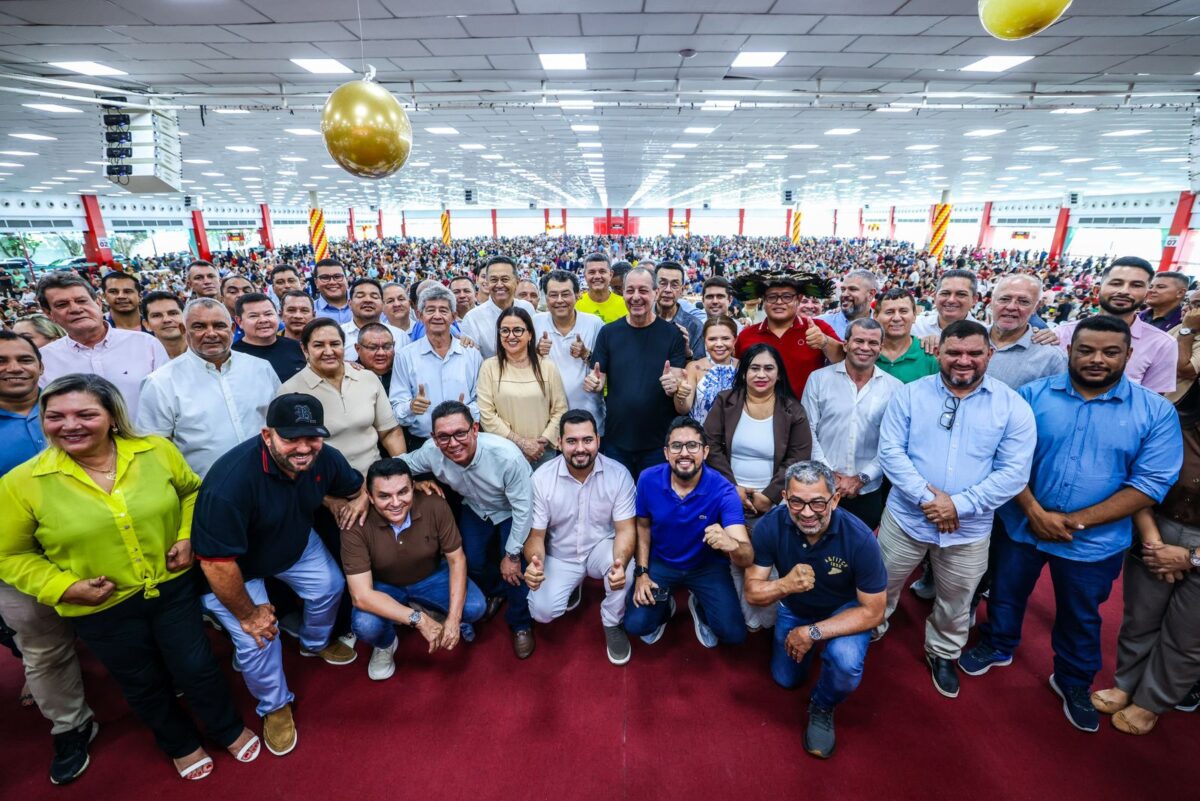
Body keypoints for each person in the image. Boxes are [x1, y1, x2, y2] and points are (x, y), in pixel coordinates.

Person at [0, 374, 257, 781]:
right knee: (141, 680)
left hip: (171, 587)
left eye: (85, 414)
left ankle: (225, 727)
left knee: (196, 666)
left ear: (113, 417)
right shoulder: (21, 482)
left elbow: (191, 492)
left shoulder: (155, 450)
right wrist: (62, 587)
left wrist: (187, 536)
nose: (70, 425)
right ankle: (179, 744)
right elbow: (10, 554)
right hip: (99, 606)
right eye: (56, 416)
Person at [959, 317, 1182, 733]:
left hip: (1095, 541)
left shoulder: (1155, 412)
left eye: (1110, 352)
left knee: (1081, 615)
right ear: (1069, 351)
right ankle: (998, 643)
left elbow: (1150, 485)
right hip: (1022, 525)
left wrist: (1074, 522)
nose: (1097, 359)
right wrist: (1034, 512)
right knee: (1005, 593)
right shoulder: (1031, 397)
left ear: (1128, 355)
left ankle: (1073, 679)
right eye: (1086, 350)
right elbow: (1003, 459)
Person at [192, 394, 366, 757]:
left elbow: (357, 488)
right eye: (291, 438)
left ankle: (313, 643)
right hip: (236, 568)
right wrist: (249, 615)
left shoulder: (325, 457)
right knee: (259, 638)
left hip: (294, 543)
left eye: (312, 437)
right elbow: (216, 564)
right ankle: (274, 704)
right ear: (267, 435)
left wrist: (346, 500)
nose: (303, 448)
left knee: (331, 586)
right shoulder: (230, 483)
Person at [876, 320, 1036, 700]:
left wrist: (958, 506)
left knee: (957, 599)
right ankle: (869, 627)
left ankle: (943, 651)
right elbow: (891, 451)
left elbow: (1014, 473)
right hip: (906, 519)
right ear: (940, 353)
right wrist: (929, 501)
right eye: (954, 352)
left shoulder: (1012, 406)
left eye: (974, 353)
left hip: (969, 530)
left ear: (989, 355)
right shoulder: (910, 395)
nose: (964, 360)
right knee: (881, 582)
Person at [0, 332, 97, 785]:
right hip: (21, 561)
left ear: (41, 366)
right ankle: (71, 725)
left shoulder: (75, 408)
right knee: (44, 648)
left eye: (24, 359)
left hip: (99, 545)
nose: (13, 368)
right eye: (2, 360)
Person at [744, 461, 887, 760]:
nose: (807, 513)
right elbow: (753, 593)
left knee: (845, 663)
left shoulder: (860, 539)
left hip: (844, 609)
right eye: (797, 502)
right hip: (795, 607)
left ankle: (823, 705)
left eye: (818, 503)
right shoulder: (770, 525)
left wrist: (812, 632)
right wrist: (785, 585)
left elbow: (873, 612)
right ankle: (809, 647)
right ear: (785, 497)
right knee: (786, 680)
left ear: (834, 500)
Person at [1091, 401, 1200, 733]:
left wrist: (1190, 557)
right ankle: (1125, 685)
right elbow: (1138, 482)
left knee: (1187, 635)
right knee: (1140, 617)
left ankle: (1151, 702)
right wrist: (1153, 542)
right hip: (1156, 531)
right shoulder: (1172, 423)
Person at [399, 401, 537, 659]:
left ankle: (520, 623)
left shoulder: (507, 457)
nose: (452, 443)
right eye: (444, 437)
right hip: (475, 507)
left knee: (515, 571)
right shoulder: (431, 451)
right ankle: (495, 593)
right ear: (434, 438)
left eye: (460, 433)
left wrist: (512, 555)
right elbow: (398, 466)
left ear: (475, 429)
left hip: (512, 511)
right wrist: (414, 483)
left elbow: (524, 510)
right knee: (472, 561)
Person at [343, 458, 486, 681]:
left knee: (475, 608)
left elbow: (456, 560)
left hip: (431, 575)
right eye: (384, 496)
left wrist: (454, 618)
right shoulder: (354, 524)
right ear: (369, 497)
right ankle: (387, 642)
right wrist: (420, 620)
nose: (395, 502)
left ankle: (427, 611)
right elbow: (361, 596)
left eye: (403, 492)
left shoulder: (434, 504)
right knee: (366, 625)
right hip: (385, 585)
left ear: (413, 487)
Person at [622, 417, 752, 649]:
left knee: (733, 634)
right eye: (676, 446)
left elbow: (747, 556)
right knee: (636, 625)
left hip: (706, 566)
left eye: (692, 445)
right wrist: (641, 572)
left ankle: (699, 605)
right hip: (661, 562)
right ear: (666, 452)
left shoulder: (723, 490)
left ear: (705, 451)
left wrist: (732, 544)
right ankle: (666, 606)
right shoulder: (648, 479)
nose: (684, 453)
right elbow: (642, 526)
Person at [524, 410, 636, 665]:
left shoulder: (619, 474)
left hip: (600, 548)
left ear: (598, 440)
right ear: (559, 443)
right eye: (571, 441)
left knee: (625, 569)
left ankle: (612, 621)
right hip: (560, 555)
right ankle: (572, 584)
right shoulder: (541, 479)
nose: (580, 448)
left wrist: (620, 563)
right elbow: (536, 535)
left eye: (587, 440)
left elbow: (626, 530)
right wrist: (534, 563)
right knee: (541, 611)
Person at [137, 298, 281, 478]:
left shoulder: (261, 368)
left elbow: (280, 423)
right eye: (199, 326)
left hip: (268, 480)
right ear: (183, 330)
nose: (211, 333)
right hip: (203, 487)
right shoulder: (160, 383)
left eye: (219, 325)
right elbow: (156, 449)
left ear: (232, 329)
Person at [584, 267, 686, 479]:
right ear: (622, 293)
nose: (636, 297)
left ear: (655, 293)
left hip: (658, 444)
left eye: (643, 290)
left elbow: (676, 383)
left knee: (654, 498)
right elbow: (598, 377)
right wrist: (594, 383)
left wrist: (674, 386)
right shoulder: (608, 332)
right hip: (617, 441)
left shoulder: (672, 334)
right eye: (630, 290)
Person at [802, 319, 902, 530]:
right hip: (820, 487)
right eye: (859, 341)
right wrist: (828, 473)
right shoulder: (818, 379)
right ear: (846, 345)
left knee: (860, 546)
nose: (865, 347)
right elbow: (807, 429)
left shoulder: (895, 388)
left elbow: (893, 442)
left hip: (867, 491)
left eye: (872, 343)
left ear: (881, 348)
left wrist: (862, 478)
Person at [280, 318, 406, 477]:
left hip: (375, 479)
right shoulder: (290, 391)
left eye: (335, 344)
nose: (329, 351)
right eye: (319, 345)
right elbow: (288, 452)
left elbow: (390, 432)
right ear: (304, 349)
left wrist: (403, 473)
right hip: (324, 484)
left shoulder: (367, 378)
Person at [36, 271, 168, 415]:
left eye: (82, 301)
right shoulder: (44, 360)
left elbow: (168, 399)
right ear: (49, 313)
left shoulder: (146, 344)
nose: (75, 309)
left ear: (98, 302)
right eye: (62, 305)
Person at [1039, 257, 1177, 394]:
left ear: (1147, 294)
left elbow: (1152, 400)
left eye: (1136, 285)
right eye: (1116, 283)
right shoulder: (1061, 334)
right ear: (1097, 290)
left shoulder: (1161, 344)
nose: (1124, 291)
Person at [390, 284, 482, 450]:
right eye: (430, 310)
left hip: (465, 442)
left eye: (443, 310)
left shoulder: (472, 354)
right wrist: (411, 407)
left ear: (453, 316)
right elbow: (397, 407)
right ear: (420, 315)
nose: (437, 316)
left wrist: (466, 411)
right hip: (422, 444)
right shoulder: (405, 356)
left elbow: (482, 401)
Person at [478, 307, 567, 468]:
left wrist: (541, 442)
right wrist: (521, 443)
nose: (511, 336)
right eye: (505, 331)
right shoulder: (489, 367)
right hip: (504, 452)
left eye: (518, 330)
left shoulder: (547, 367)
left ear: (530, 334)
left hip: (542, 451)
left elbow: (560, 409)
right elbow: (486, 414)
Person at [735, 274, 842, 400]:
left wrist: (825, 342)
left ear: (798, 299)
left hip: (807, 409)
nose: (779, 302)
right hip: (759, 409)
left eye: (787, 297)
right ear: (763, 300)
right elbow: (736, 373)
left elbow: (844, 359)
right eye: (772, 297)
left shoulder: (818, 328)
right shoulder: (746, 335)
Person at [532, 269, 605, 435]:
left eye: (565, 294)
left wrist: (586, 354)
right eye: (553, 295)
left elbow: (605, 365)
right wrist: (536, 352)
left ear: (578, 295)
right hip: (547, 423)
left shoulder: (594, 324)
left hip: (589, 417)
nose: (559, 300)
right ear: (545, 297)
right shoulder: (535, 323)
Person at [985, 274, 1067, 389]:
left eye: (1023, 301)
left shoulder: (1051, 358)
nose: (1011, 307)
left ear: (1036, 307)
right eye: (1004, 299)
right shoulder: (968, 338)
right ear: (992, 301)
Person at [460, 256, 536, 359]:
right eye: (494, 280)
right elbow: (471, 359)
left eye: (505, 279)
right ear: (487, 283)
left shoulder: (527, 308)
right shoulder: (472, 318)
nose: (499, 285)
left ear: (517, 282)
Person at [674, 316, 739, 424]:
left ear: (735, 340)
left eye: (725, 338)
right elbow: (683, 409)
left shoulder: (743, 367)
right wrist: (681, 396)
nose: (719, 344)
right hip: (701, 432)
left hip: (734, 432)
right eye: (712, 339)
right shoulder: (694, 367)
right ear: (704, 341)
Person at [230, 292, 306, 382]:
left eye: (268, 314)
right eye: (253, 316)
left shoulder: (296, 347)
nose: (263, 320)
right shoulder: (232, 355)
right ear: (239, 321)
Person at [874, 287, 939, 383]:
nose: (896, 318)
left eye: (903, 311)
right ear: (875, 316)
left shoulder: (930, 356)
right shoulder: (865, 352)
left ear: (914, 316)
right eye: (889, 312)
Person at [341, 278, 406, 362]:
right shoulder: (338, 335)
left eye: (374, 296)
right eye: (360, 296)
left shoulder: (400, 336)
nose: (368, 300)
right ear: (350, 304)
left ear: (383, 304)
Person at [655, 262, 705, 359]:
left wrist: (688, 354)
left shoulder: (695, 326)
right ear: (654, 286)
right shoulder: (640, 319)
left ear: (682, 290)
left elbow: (699, 365)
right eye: (663, 283)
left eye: (674, 285)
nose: (668, 290)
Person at [911, 269, 978, 340]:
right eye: (945, 293)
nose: (951, 300)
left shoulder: (983, 333)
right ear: (935, 297)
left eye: (961, 294)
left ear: (974, 300)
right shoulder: (915, 326)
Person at [818, 270, 878, 340]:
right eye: (843, 289)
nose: (844, 294)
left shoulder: (882, 324)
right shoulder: (821, 323)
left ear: (871, 294)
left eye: (852, 289)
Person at [575, 252, 627, 324]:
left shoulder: (626, 304)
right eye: (592, 272)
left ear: (610, 274)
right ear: (585, 275)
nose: (597, 276)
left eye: (602, 271)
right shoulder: (575, 304)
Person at [141, 291, 187, 360]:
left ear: (186, 317)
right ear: (146, 324)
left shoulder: (203, 352)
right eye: (156, 315)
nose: (166, 320)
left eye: (173, 313)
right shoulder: (142, 359)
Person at [354, 322, 397, 394]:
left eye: (386, 347)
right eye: (373, 348)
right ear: (358, 349)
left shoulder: (402, 373)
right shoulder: (349, 374)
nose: (381, 353)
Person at [312, 259, 353, 324]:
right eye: (325, 277)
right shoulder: (310, 311)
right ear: (316, 282)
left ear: (346, 279)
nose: (332, 282)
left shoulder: (363, 303)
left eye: (337, 277)